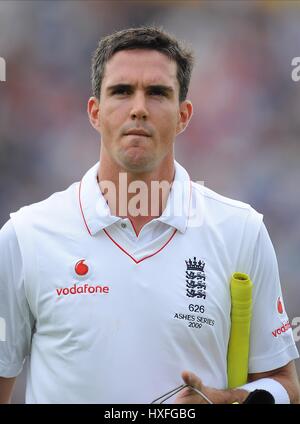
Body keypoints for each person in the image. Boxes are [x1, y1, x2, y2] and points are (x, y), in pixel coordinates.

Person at [0, 26, 299, 404]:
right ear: (95, 112)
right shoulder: (25, 236)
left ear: (183, 115)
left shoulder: (241, 231)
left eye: (157, 93)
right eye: (121, 91)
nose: (138, 107)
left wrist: (229, 401)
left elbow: (284, 385)